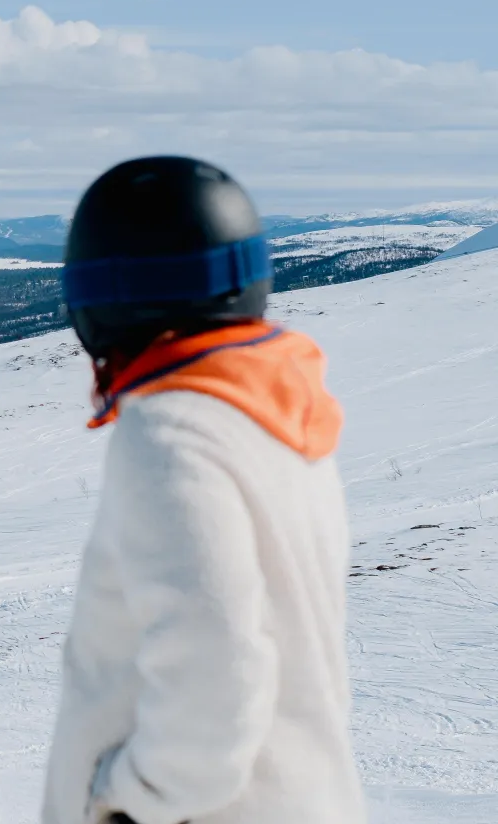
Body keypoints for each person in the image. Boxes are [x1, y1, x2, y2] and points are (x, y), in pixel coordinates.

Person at [41, 156, 364, 824]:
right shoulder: (273, 413)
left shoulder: (172, 434)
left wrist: (130, 799)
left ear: (106, 298)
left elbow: (216, 674)